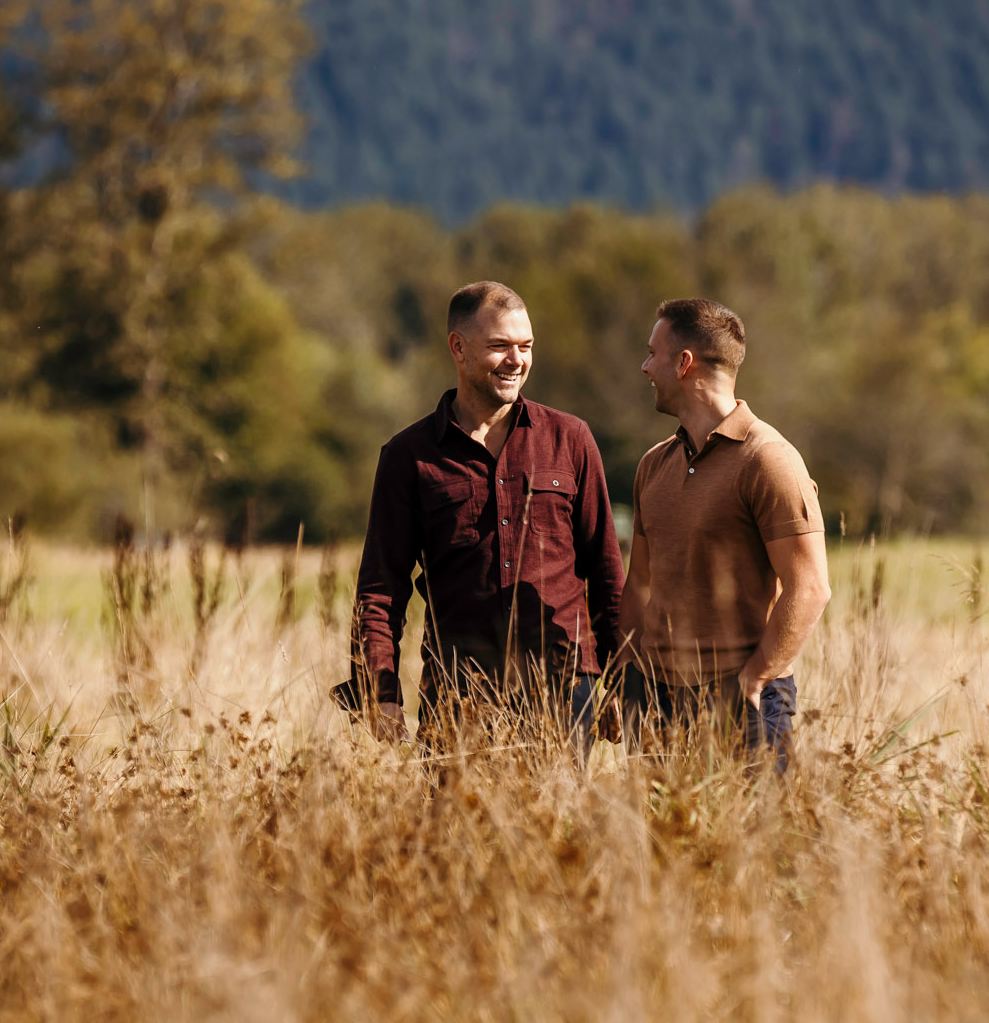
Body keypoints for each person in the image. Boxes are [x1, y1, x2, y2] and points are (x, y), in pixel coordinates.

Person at [346, 281, 623, 750]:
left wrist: (621, 680)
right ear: (458, 347)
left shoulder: (570, 439)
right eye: (500, 346)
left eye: (526, 346)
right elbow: (381, 585)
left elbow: (606, 569)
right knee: (456, 826)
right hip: (458, 693)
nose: (517, 360)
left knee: (557, 825)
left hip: (562, 689)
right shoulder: (408, 456)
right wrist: (379, 689)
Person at [621, 297, 831, 766]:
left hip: (743, 702)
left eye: (652, 353)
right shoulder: (654, 465)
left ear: (684, 363)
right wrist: (627, 678)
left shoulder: (769, 459)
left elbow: (811, 587)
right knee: (657, 841)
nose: (644, 366)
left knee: (752, 840)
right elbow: (640, 583)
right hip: (655, 702)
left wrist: (754, 679)